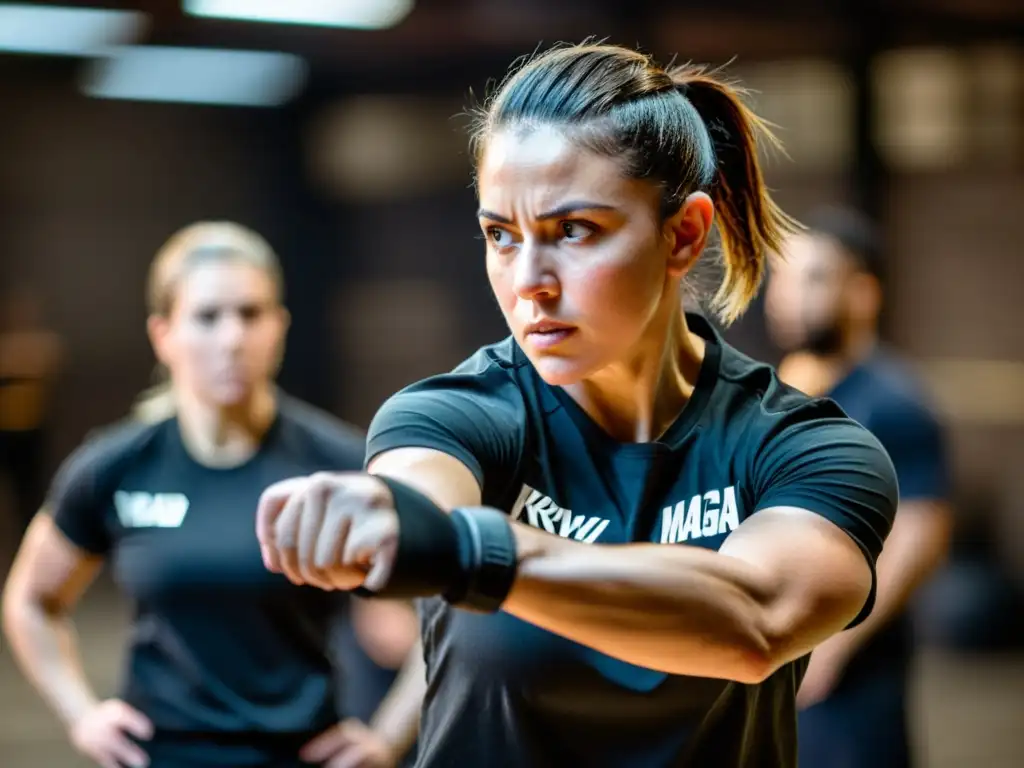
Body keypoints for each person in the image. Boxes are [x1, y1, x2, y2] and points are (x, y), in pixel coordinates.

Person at [255, 42, 900, 768]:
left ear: (684, 233)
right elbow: (418, 497)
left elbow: (757, 617)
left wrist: (474, 553)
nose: (528, 280)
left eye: (574, 231)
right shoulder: (455, 415)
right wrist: (385, 519)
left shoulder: (801, 446)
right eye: (500, 235)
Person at [1, 222, 418, 768]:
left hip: (301, 754)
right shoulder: (116, 467)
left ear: (280, 326)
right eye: (207, 317)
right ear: (163, 335)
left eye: (250, 314)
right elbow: (32, 601)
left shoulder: (339, 465)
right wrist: (82, 716)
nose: (231, 338)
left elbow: (449, 616)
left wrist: (388, 737)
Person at [764, 206, 953, 768]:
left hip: (848, 680)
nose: (792, 295)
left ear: (864, 293)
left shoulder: (894, 400)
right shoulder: (777, 392)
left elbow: (922, 531)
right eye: (784, 278)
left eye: (815, 278)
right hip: (778, 658)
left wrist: (834, 648)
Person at [0, 284, 63, 538]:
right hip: (4, 432)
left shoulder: (43, 342)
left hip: (31, 433)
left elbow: (44, 359)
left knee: (30, 495)